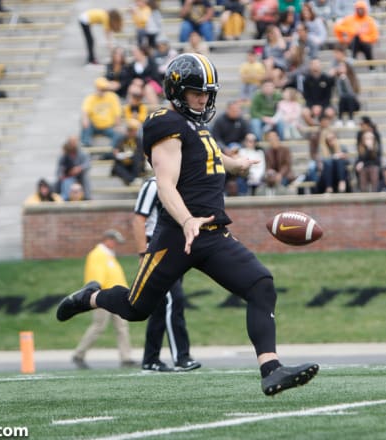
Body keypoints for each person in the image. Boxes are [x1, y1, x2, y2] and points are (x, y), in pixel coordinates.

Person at [56, 53, 319, 396]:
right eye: (197, 92)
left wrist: (235, 165)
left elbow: (209, 153)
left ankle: (270, 369)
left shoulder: (196, 125)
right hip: (177, 235)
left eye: (208, 93)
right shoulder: (166, 125)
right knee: (137, 308)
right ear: (177, 91)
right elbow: (165, 184)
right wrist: (186, 220)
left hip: (211, 233)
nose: (204, 99)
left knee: (261, 285)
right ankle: (90, 297)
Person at [133, 177, 201, 372]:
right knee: (175, 299)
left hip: (174, 250)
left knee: (160, 306)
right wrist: (142, 253)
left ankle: (150, 359)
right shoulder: (153, 184)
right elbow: (138, 219)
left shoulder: (182, 185)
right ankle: (181, 356)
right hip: (156, 250)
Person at [71, 230, 138, 369]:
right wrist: (95, 295)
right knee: (98, 327)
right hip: (103, 298)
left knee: (122, 327)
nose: (116, 245)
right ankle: (79, 354)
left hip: (118, 298)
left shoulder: (108, 256)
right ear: (107, 239)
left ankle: (126, 358)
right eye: (114, 241)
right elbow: (95, 277)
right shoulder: (97, 255)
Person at [80, 77, 122, 147]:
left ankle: (111, 149)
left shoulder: (113, 97)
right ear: (97, 88)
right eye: (101, 89)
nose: (103, 91)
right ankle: (86, 144)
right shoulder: (90, 98)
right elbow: (85, 111)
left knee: (119, 134)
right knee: (85, 123)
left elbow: (117, 113)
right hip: (94, 126)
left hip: (108, 126)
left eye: (105, 89)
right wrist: (85, 119)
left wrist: (117, 125)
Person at [56, 136, 91, 201]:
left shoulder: (82, 153)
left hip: (79, 176)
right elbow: (59, 169)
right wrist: (62, 176)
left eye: (74, 142)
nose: (73, 144)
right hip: (67, 177)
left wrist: (79, 168)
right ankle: (63, 200)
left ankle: (87, 198)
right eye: (71, 142)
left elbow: (88, 164)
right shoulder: (64, 154)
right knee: (63, 182)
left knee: (85, 178)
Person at [111, 119, 144, 186]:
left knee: (137, 159)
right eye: (130, 130)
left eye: (133, 130)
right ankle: (132, 180)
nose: (132, 132)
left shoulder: (138, 140)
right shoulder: (121, 139)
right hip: (123, 163)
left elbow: (141, 154)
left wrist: (131, 155)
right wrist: (122, 155)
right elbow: (115, 152)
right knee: (117, 167)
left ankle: (133, 179)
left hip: (133, 164)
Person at [264, 129, 295, 195]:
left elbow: (287, 165)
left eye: (273, 137)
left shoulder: (285, 149)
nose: (272, 140)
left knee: (282, 182)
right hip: (273, 176)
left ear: (277, 137)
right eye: (270, 138)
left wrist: (280, 174)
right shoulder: (268, 152)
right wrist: (271, 174)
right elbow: (268, 166)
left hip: (285, 175)